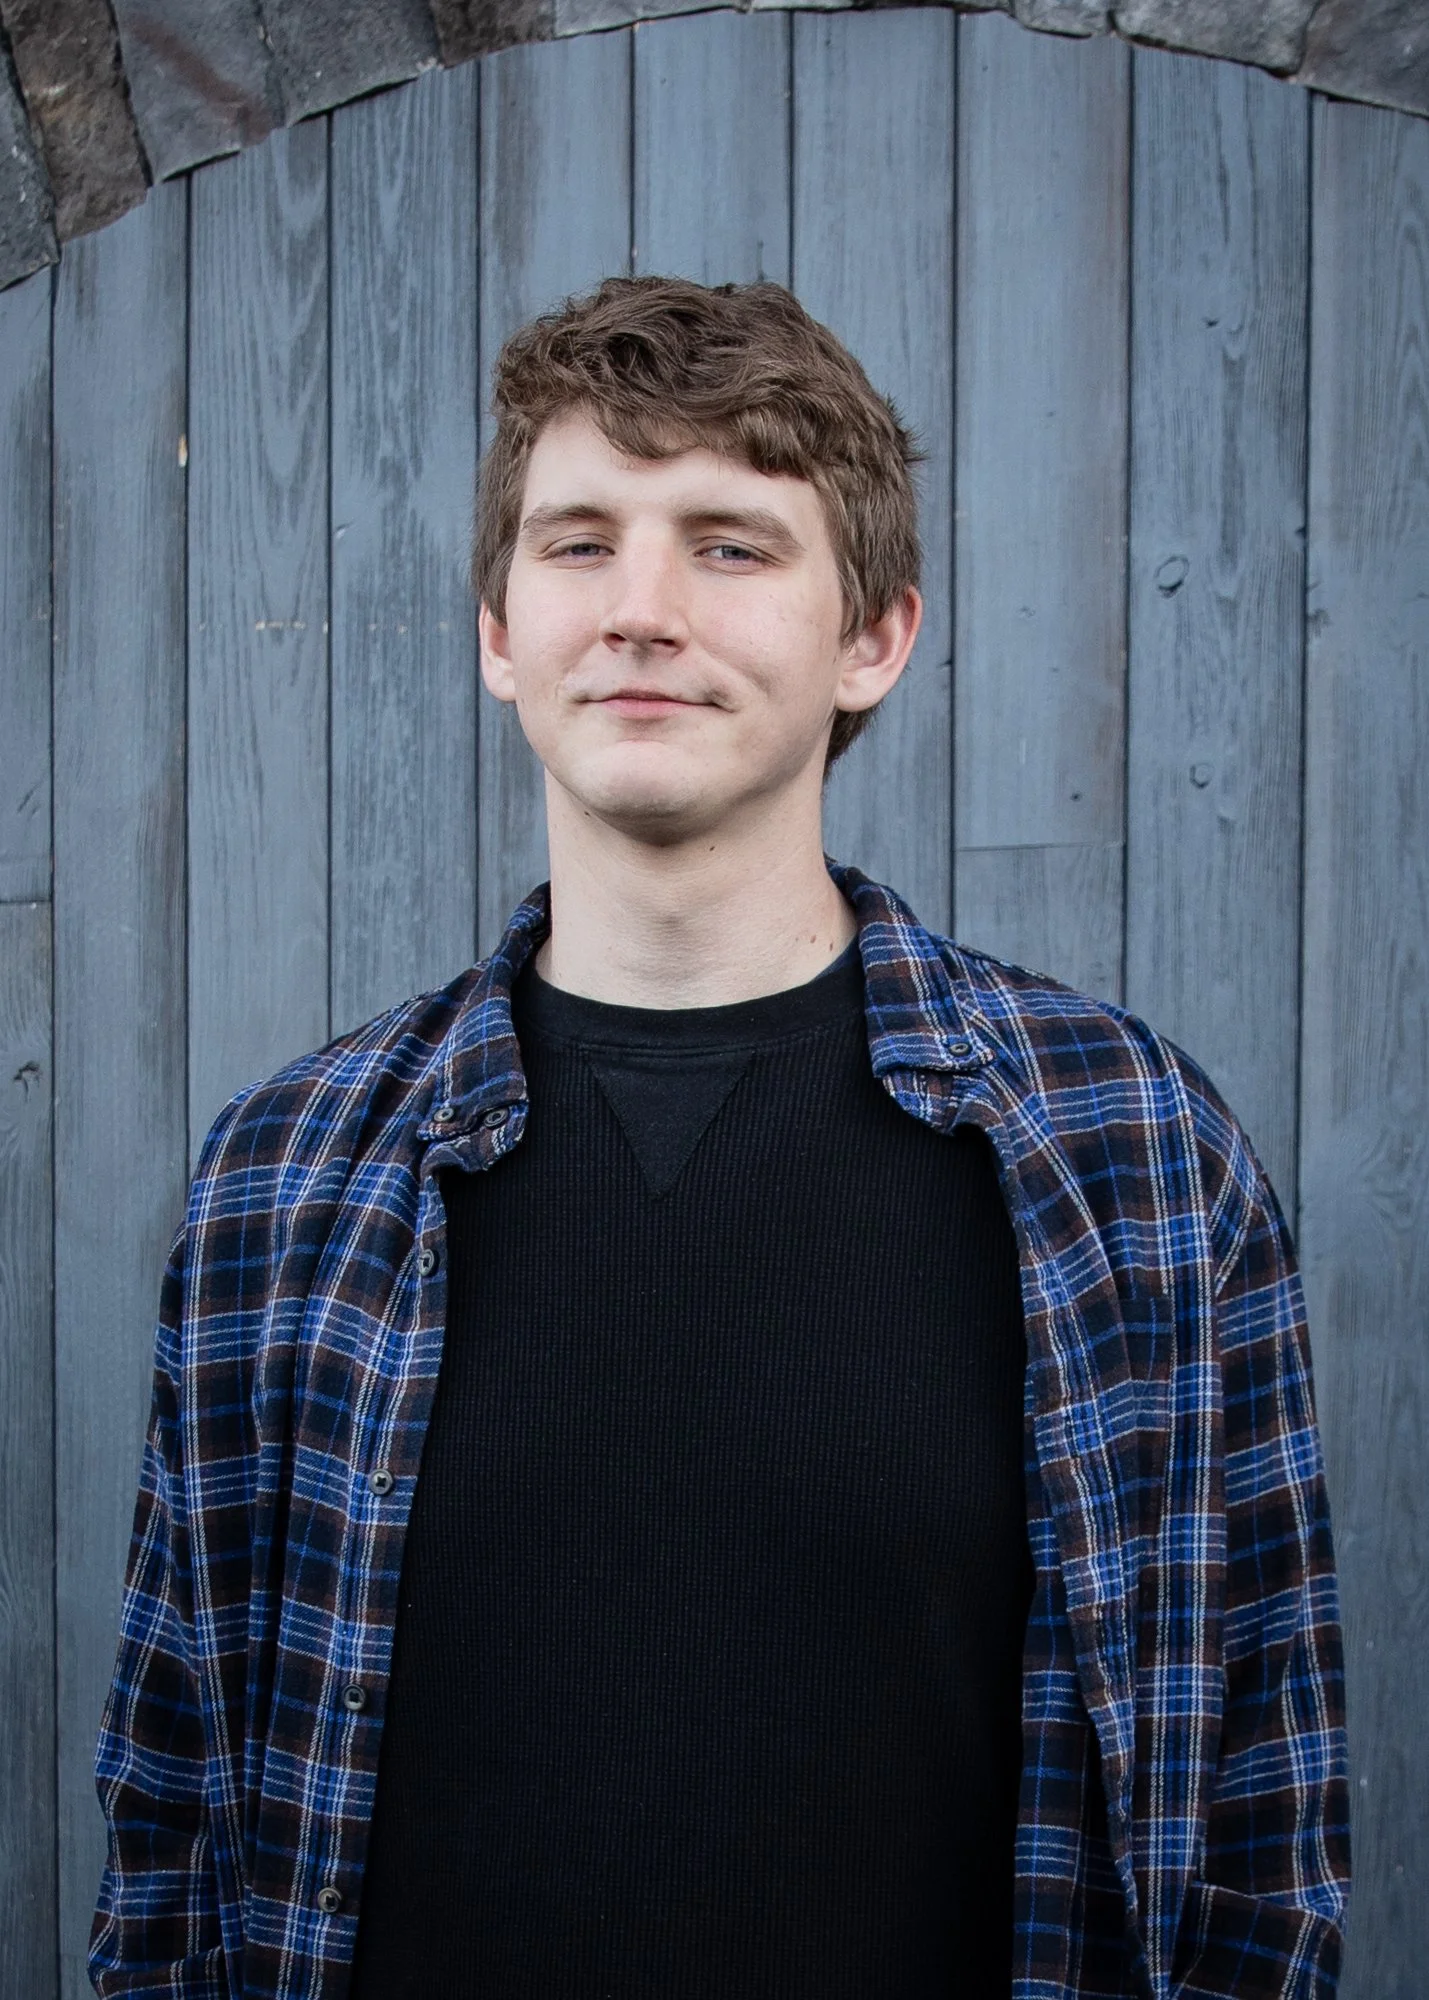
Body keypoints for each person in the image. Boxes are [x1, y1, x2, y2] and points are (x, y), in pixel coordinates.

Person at [90, 277, 1349, 2000]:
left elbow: (1262, 1824)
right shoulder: (285, 1183)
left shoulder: (1129, 1154)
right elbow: (173, 1832)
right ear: (496, 630)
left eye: (734, 546)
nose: (642, 612)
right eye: (581, 542)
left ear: (876, 637)